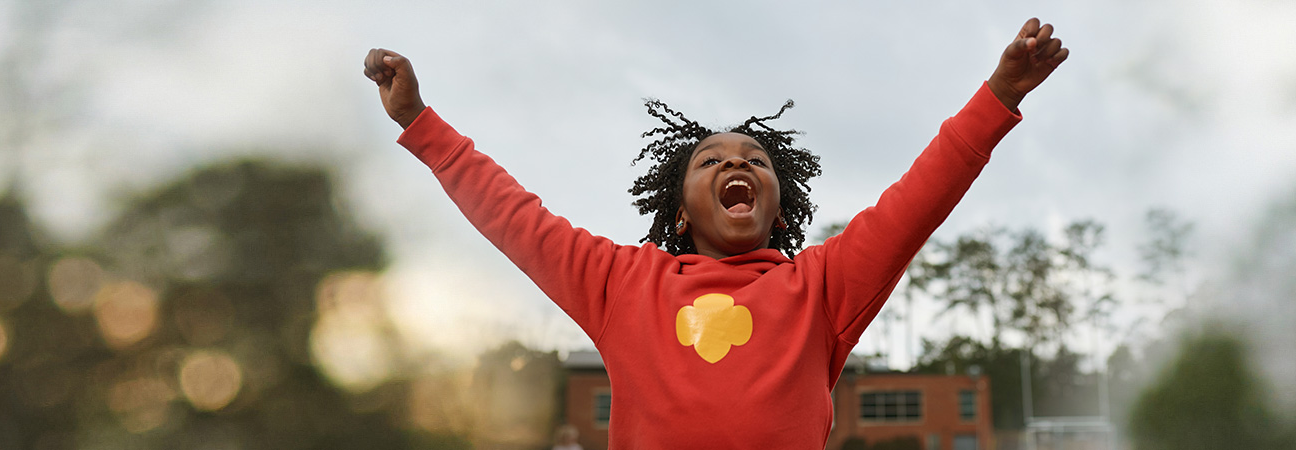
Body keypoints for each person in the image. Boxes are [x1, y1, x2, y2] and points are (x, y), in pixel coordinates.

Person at [363, 17, 1067, 449]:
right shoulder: (621, 283)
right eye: (711, 160)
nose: (736, 162)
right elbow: (514, 215)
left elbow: (920, 197)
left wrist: (999, 96)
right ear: (679, 213)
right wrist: (420, 123)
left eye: (756, 161)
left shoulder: (821, 287)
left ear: (780, 212)